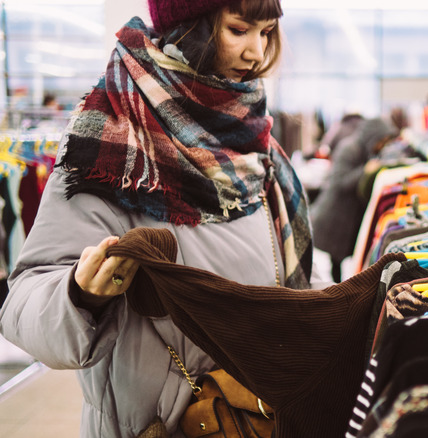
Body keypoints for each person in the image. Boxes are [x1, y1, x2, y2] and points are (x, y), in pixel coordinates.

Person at [0, 0, 321, 436]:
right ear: (188, 26)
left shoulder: (252, 137)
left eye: (266, 33)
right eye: (239, 29)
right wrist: (80, 294)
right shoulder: (112, 137)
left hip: (256, 414)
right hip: (164, 424)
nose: (256, 53)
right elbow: (23, 300)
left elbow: (290, 266)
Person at [311, 118, 397, 282]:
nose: (383, 145)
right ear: (373, 137)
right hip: (334, 216)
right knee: (335, 262)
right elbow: (339, 181)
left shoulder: (366, 150)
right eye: (382, 140)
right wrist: (365, 171)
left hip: (347, 218)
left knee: (342, 261)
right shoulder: (349, 148)